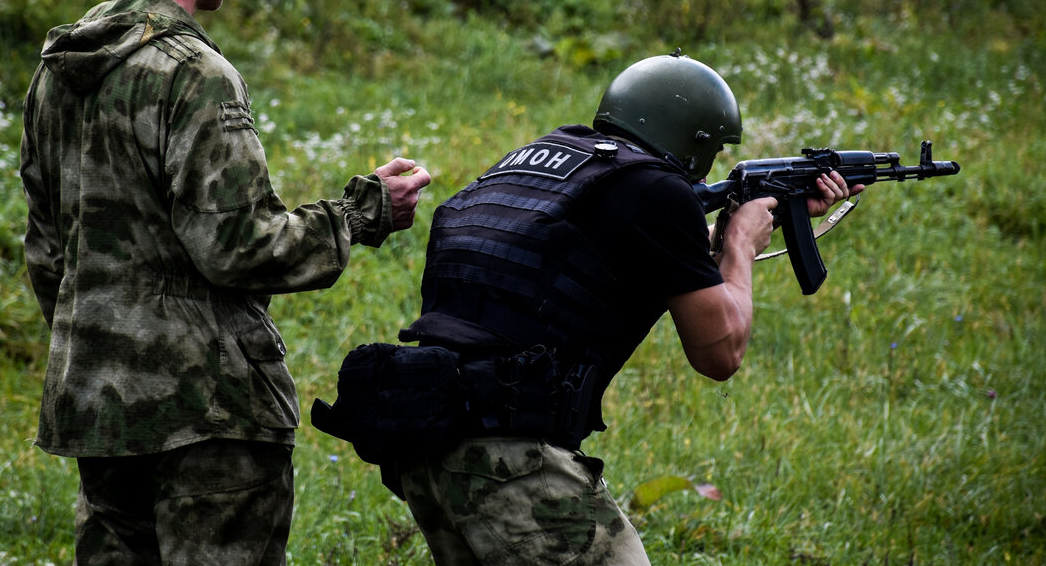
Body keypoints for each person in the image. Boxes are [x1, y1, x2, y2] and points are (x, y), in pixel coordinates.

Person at [18, 0, 431, 566]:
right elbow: (238, 247)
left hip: (98, 406)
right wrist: (363, 212)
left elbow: (47, 252)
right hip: (205, 413)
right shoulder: (195, 74)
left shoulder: (63, 65)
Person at [313, 51, 860, 565]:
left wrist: (746, 229)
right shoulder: (658, 191)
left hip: (426, 438)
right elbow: (720, 351)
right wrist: (738, 246)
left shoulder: (542, 164)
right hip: (515, 459)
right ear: (692, 139)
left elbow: (630, 262)